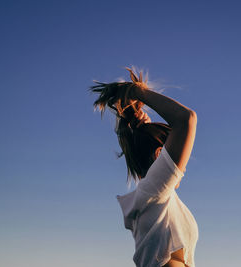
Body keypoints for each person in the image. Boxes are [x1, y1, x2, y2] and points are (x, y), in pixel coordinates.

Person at [90, 67, 199, 267]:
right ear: (160, 154)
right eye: (182, 164)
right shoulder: (156, 190)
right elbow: (186, 119)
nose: (183, 171)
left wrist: (142, 128)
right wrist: (137, 92)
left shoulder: (153, 197)